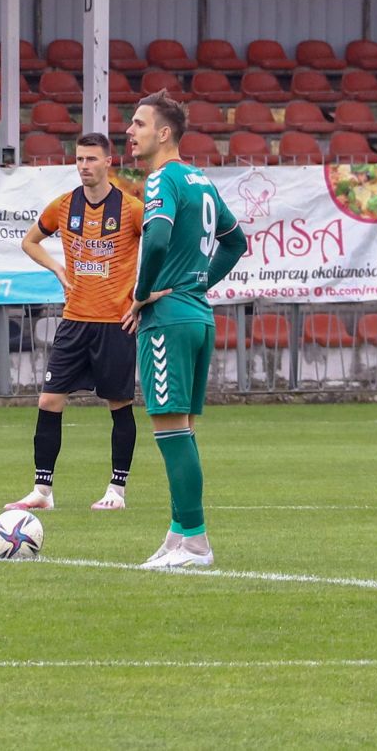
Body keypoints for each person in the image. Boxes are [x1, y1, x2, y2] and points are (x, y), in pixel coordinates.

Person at [122, 91, 247, 568]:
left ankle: (196, 542)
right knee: (184, 430)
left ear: (164, 133)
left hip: (168, 321)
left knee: (171, 431)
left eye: (139, 123)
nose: (130, 132)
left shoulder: (163, 179)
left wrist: (143, 293)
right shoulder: (202, 181)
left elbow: (155, 238)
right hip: (197, 314)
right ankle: (178, 534)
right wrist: (198, 283)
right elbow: (235, 243)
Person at [5, 133, 144, 512]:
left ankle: (117, 490)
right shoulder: (64, 206)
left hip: (116, 323)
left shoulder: (131, 209)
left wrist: (142, 298)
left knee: (119, 404)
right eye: (80, 159)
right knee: (49, 400)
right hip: (74, 321)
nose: (84, 166)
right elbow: (30, 242)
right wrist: (57, 268)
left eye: (92, 159)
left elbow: (160, 249)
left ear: (108, 162)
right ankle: (42, 491)